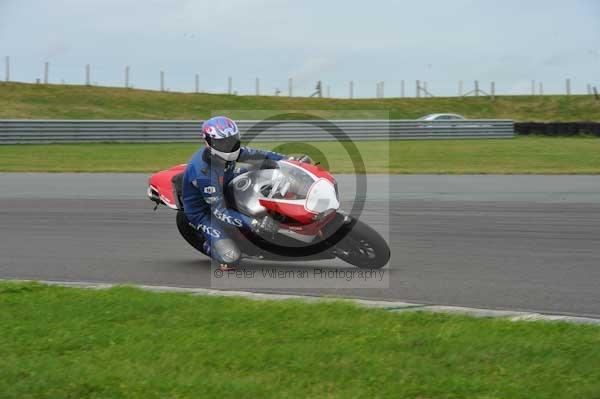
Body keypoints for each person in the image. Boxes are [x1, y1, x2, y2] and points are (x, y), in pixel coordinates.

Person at [181, 116, 287, 271]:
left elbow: (260, 154)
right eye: (223, 143)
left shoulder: (231, 151)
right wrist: (254, 224)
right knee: (231, 259)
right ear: (208, 142)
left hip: (226, 183)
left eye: (232, 140)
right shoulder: (204, 174)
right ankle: (210, 244)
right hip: (205, 211)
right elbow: (218, 211)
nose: (229, 146)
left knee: (265, 166)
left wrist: (289, 161)